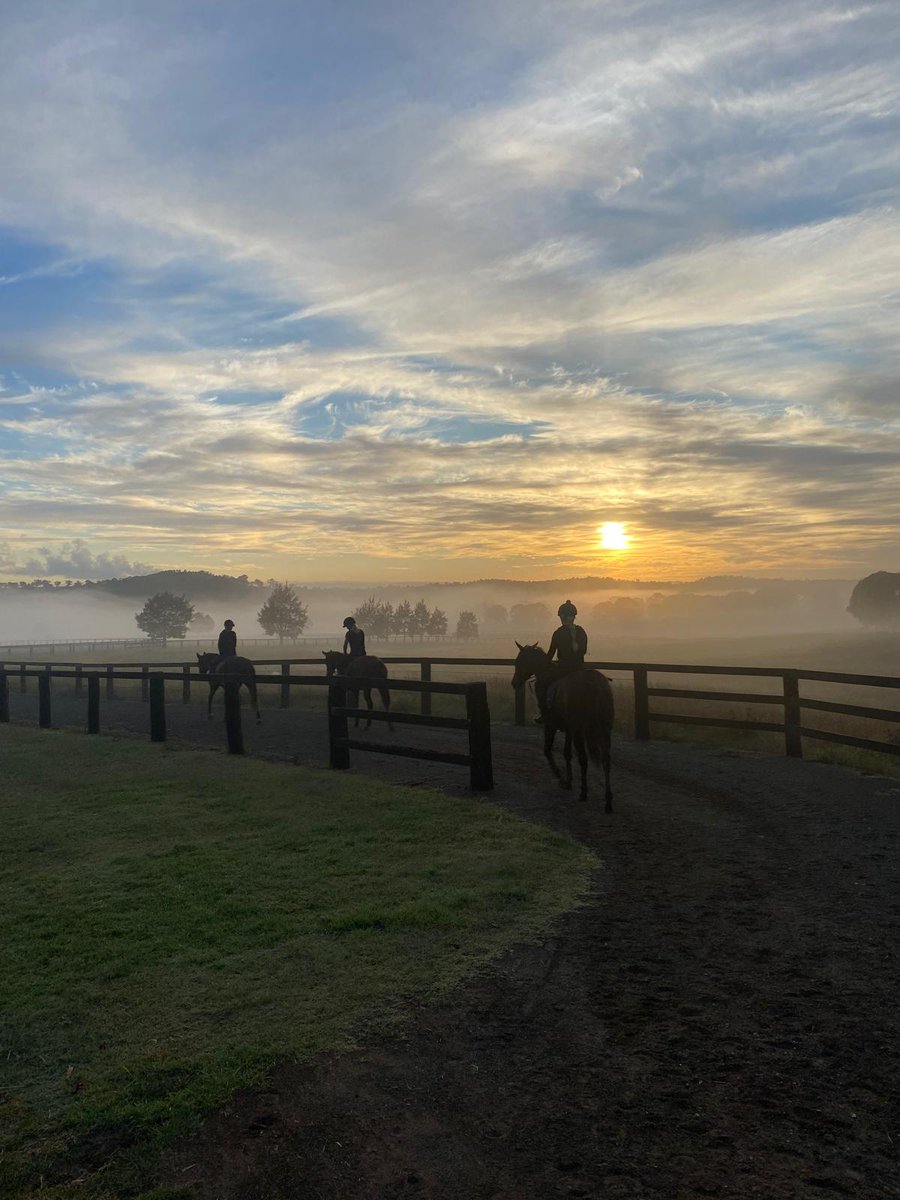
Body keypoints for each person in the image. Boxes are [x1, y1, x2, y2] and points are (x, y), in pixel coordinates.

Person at [534, 600, 588, 723]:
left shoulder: (558, 633)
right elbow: (583, 651)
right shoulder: (581, 631)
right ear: (574, 616)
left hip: (563, 669)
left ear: (562, 616)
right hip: (579, 668)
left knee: (540, 684)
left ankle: (544, 713)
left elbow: (550, 655)